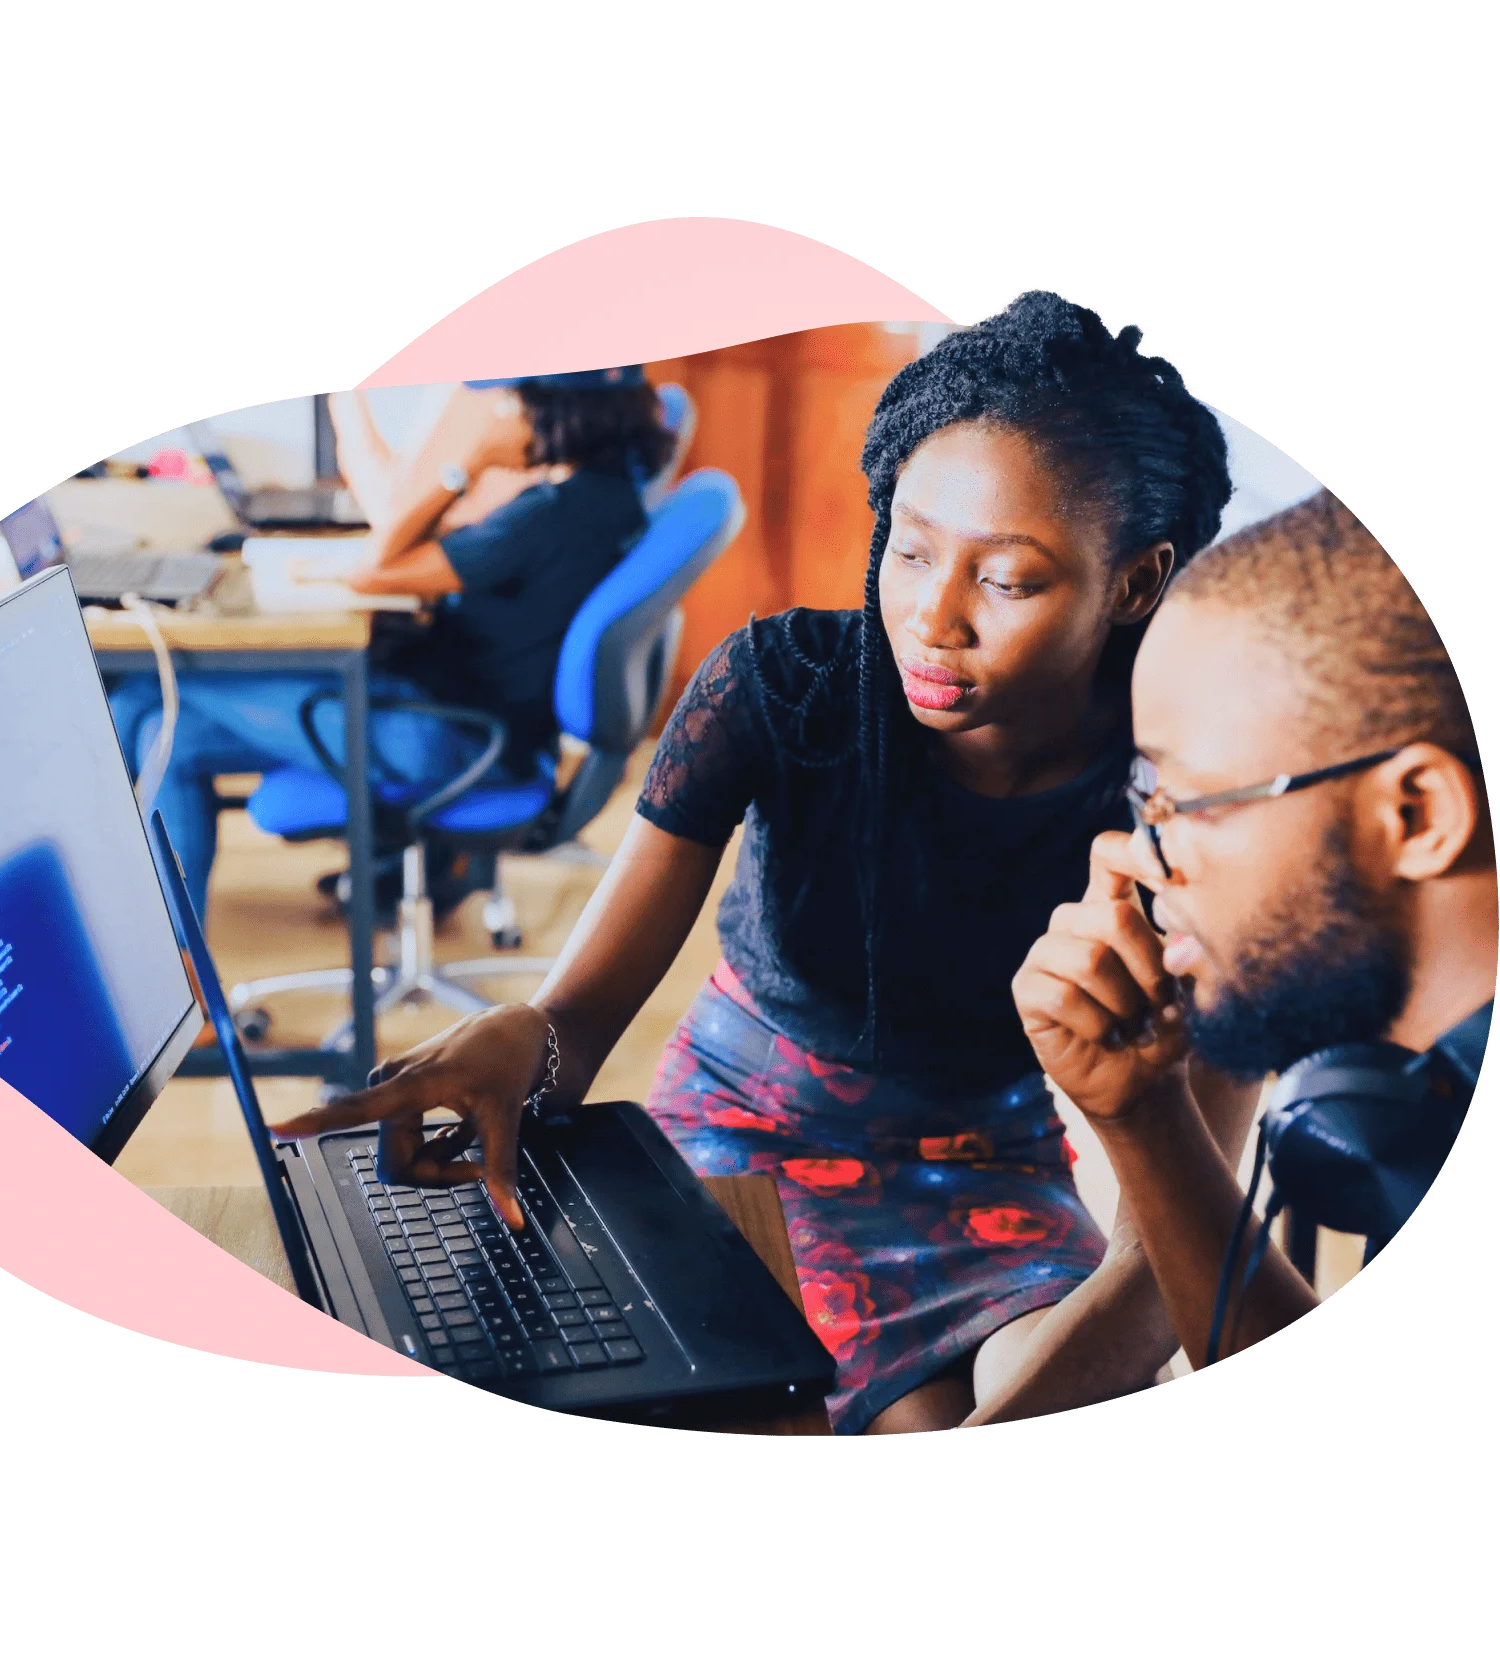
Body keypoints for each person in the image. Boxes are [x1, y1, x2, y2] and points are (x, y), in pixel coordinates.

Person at [272, 290, 1245, 1436]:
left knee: (1018, 1408)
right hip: (737, 1147)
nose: (932, 616)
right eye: (913, 547)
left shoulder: (1191, 798)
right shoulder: (781, 690)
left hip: (988, 1183)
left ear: (1135, 582)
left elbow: (1177, 1250)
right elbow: (577, 1022)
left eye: (1006, 579)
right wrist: (519, 1042)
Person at [1011, 490, 1495, 1371]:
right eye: (1142, 796)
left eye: (1186, 802)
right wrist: (1144, 1118)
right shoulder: (1436, 1080)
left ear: (1417, 815)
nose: (1138, 857)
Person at [110, 369, 674, 922]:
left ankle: (160, 957)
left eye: (513, 400)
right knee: (170, 737)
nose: (504, 412)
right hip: (471, 722)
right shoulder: (609, 498)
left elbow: (376, 570)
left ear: (556, 412)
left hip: (443, 737)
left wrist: (464, 468)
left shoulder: (550, 514)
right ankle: (186, 965)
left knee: (142, 694)